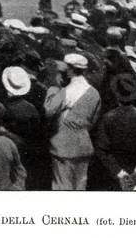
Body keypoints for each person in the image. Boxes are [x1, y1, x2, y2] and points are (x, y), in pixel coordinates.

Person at [43, 53, 101, 190]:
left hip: (63, 146)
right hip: (84, 145)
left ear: (69, 70)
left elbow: (48, 111)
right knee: (80, 186)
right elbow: (93, 121)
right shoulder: (95, 93)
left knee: (62, 187)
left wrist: (52, 90)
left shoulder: (65, 92)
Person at [93, 74, 136, 190]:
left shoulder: (108, 117)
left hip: (112, 176)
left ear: (117, 96)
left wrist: (121, 174)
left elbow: (102, 149)